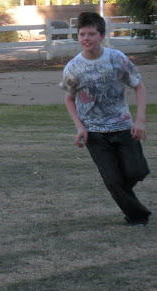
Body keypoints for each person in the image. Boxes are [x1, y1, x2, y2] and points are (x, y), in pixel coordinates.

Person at [61, 12, 151, 226]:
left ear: (102, 35)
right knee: (112, 180)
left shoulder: (117, 58)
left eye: (91, 33)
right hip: (94, 133)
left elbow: (139, 86)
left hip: (123, 127)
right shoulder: (72, 67)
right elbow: (68, 99)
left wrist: (139, 120)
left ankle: (124, 192)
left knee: (136, 171)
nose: (86, 38)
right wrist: (79, 127)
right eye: (82, 34)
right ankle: (138, 216)